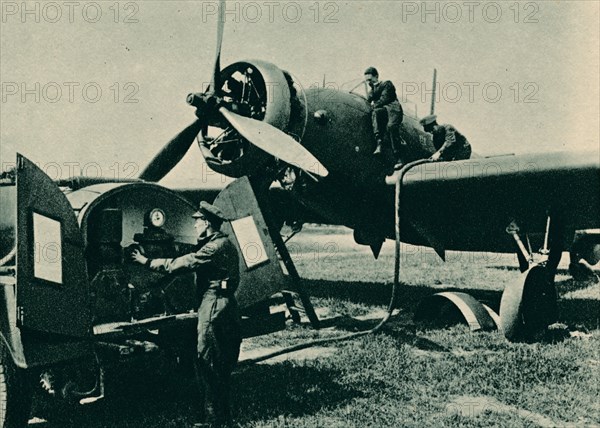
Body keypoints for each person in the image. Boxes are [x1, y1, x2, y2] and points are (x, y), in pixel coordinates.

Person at [131, 201, 241, 427]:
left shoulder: (213, 247)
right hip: (226, 304)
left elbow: (182, 264)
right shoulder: (224, 244)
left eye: (197, 222)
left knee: (207, 360)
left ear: (208, 224)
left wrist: (146, 261)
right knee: (221, 363)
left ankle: (213, 421)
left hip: (213, 306)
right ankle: (223, 419)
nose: (194, 226)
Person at [364, 66, 403, 156]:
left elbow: (384, 99)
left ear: (376, 76)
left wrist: (373, 105)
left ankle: (398, 155)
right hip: (383, 109)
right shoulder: (373, 89)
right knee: (375, 113)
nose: (369, 82)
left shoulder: (387, 84)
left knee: (391, 126)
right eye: (367, 81)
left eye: (370, 79)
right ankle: (379, 142)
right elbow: (368, 100)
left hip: (393, 109)